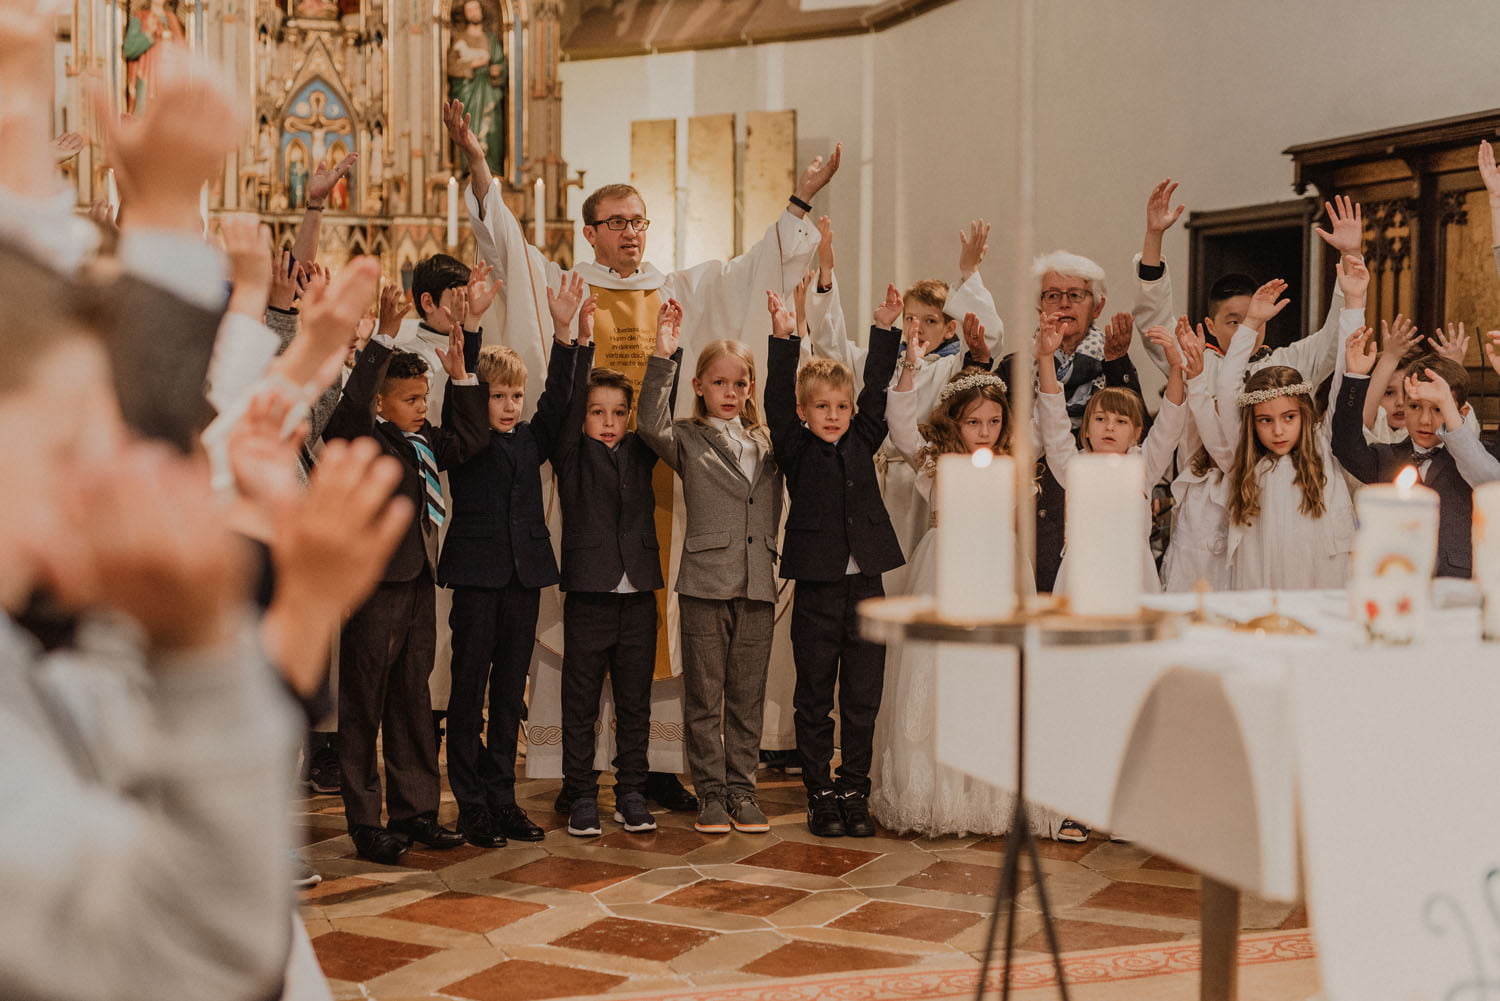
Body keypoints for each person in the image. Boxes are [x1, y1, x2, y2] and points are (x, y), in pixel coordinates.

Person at [445, 98, 839, 812]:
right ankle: (579, 776)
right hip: (584, 482)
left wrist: (800, 200)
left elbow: (751, 271)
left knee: (654, 633)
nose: (632, 232)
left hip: (664, 484)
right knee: (587, 641)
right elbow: (505, 245)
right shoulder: (567, 286)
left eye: (640, 220)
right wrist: (478, 165)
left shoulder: (677, 289)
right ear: (591, 232)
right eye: (618, 221)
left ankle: (653, 767)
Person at [321, 316, 489, 865]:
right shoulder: (367, 438)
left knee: (412, 698)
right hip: (374, 586)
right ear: (380, 401)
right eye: (410, 399)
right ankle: (365, 822)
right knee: (364, 702)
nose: (421, 407)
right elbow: (343, 421)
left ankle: (415, 810)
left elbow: (472, 440)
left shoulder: (425, 441)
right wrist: (380, 343)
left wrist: (461, 377)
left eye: (424, 397)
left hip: (419, 582)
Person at [436, 272, 589, 849]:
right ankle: (471, 804)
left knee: (508, 696)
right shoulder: (467, 437)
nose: (508, 405)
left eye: (514, 396)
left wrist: (564, 332)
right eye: (498, 396)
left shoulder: (529, 439)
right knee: (468, 693)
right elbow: (465, 396)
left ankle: (502, 798)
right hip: (477, 580)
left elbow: (559, 402)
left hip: (524, 580)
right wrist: (472, 325)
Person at [874, 352, 1052, 838]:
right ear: (954, 421)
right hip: (946, 568)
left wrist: (1045, 362)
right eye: (974, 422)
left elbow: (1048, 422)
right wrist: (909, 368)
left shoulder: (1013, 461)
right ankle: (936, 792)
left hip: (999, 569)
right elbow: (901, 424)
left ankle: (990, 793)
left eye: (994, 421)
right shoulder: (934, 461)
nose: (985, 431)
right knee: (938, 670)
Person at [637, 308, 782, 836]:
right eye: (719, 382)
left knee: (747, 697)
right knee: (704, 697)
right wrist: (663, 356)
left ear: (750, 388)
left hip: (758, 583)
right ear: (698, 386)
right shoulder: (687, 436)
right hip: (704, 583)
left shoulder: (768, 441)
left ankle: (743, 791)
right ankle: (712, 795)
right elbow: (648, 424)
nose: (730, 392)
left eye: (739, 383)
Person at [766, 285, 903, 839]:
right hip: (817, 590)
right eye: (821, 407)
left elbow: (877, 391)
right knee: (814, 697)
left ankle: (854, 789)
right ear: (804, 412)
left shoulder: (863, 437)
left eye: (841, 407)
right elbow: (776, 403)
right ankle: (820, 792)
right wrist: (784, 339)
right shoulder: (795, 447)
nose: (833, 415)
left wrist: (885, 331)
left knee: (863, 697)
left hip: (867, 587)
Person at [552, 298, 675, 838]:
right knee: (580, 704)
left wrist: (664, 355)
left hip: (639, 598)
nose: (609, 422)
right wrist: (579, 343)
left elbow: (656, 414)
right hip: (589, 596)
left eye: (618, 413)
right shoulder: (571, 453)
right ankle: (581, 795)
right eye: (598, 412)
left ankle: (631, 793)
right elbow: (563, 404)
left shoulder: (641, 450)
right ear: (583, 417)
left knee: (634, 704)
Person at [1210, 280, 1358, 590]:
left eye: (1289, 418)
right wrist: (1251, 323)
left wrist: (1355, 301)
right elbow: (1226, 386)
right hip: (1262, 580)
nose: (1278, 430)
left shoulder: (1323, 443)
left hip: (1320, 576)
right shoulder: (1247, 453)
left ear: (1304, 413)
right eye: (1265, 420)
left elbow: (1346, 374)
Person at [1037, 315, 1192, 597]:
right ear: (1086, 428)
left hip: (1132, 576)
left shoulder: (1143, 465)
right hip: (1082, 576)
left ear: (1136, 433)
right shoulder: (1073, 466)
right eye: (1100, 419)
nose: (1109, 427)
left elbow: (1170, 424)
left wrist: (1175, 367)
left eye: (1121, 421)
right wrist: (1046, 358)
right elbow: (1052, 419)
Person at [1334, 342, 1476, 578]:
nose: (1424, 420)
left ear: (1460, 413)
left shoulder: (1474, 463)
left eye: (1437, 409)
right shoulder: (1386, 458)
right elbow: (1344, 445)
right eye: (1415, 406)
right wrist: (1355, 379)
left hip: (1456, 580)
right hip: (1396, 576)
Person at [447, 0, 508, 177]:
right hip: (468, 93)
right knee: (468, 128)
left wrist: (497, 71)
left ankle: (492, 171)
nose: (474, 12)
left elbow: (502, 67)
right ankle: (468, 171)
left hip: (489, 94)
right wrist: (474, 65)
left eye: (476, 8)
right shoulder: (460, 40)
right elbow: (451, 67)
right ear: (465, 14)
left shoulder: (491, 40)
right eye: (470, 9)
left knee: (492, 131)